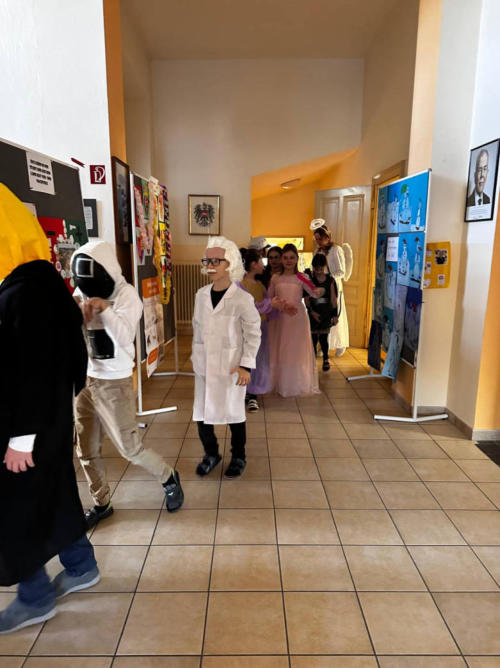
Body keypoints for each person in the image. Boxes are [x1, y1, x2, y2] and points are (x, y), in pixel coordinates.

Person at [0, 185, 99, 634]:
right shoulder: (44, 283)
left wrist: (22, 438)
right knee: (55, 492)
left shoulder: (21, 294)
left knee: (18, 507)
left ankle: (35, 596)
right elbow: (72, 358)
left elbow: (32, 370)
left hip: (29, 427)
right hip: (50, 420)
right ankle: (80, 564)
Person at [71, 240, 184, 529]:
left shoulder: (127, 295)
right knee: (86, 450)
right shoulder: (81, 291)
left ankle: (168, 477)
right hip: (85, 380)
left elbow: (123, 337)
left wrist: (104, 309)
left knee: (129, 448)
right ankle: (101, 502)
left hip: (115, 383)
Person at [192, 236, 261, 479]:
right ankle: (211, 454)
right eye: (207, 261)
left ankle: (238, 456)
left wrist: (246, 366)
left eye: (216, 261)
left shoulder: (242, 299)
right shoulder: (201, 295)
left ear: (230, 262)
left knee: (234, 414)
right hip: (204, 364)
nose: (210, 265)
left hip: (232, 366)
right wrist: (196, 356)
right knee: (202, 414)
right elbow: (197, 329)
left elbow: (253, 334)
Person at [268, 243, 323, 397]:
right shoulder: (275, 278)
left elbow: (314, 292)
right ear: (281, 259)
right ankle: (280, 383)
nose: (288, 261)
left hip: (297, 318)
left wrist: (321, 289)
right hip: (280, 318)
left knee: (295, 351)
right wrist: (278, 305)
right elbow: (269, 298)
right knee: (281, 349)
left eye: (292, 257)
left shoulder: (301, 277)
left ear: (297, 259)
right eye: (285, 257)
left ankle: (294, 384)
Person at [239, 248, 289, 412]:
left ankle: (253, 393)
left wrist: (277, 306)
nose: (264, 264)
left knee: (259, 361)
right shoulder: (240, 285)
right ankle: (247, 392)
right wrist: (269, 304)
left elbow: (267, 306)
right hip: (247, 329)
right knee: (248, 359)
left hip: (261, 328)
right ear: (253, 264)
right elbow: (249, 306)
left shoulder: (260, 285)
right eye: (261, 261)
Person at [311, 221, 351, 357]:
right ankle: (324, 346)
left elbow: (341, 271)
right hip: (321, 287)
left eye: (320, 239)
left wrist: (328, 278)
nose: (318, 242)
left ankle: (340, 344)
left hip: (333, 287)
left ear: (327, 237)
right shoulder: (317, 251)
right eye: (316, 239)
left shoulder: (336, 250)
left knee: (335, 316)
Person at [304, 253, 338, 372]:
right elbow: (307, 299)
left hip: (326, 312)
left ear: (324, 266)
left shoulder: (330, 280)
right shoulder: (310, 279)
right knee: (313, 339)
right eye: (316, 267)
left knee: (324, 338)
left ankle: (325, 358)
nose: (318, 270)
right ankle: (312, 361)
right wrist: (311, 312)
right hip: (313, 311)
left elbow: (333, 299)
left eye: (320, 267)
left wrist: (335, 315)